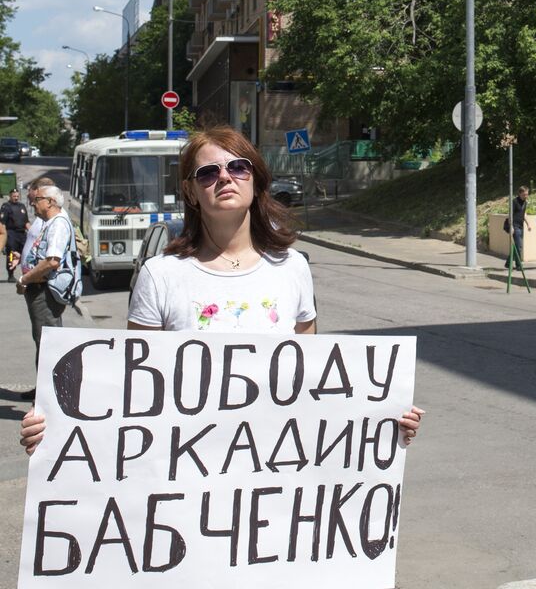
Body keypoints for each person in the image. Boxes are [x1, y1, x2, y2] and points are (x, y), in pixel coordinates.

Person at [20, 126, 421, 455]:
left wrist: (380, 420)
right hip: (187, 470)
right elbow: (134, 395)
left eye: (238, 167)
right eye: (208, 173)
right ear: (191, 192)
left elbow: (311, 381)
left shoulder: (293, 268)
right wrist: (57, 433)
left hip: (276, 465)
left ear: (255, 179)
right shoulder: (160, 275)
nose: (225, 177)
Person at [16, 185, 75, 382]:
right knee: (44, 341)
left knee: (48, 343)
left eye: (37, 199)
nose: (32, 203)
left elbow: (52, 261)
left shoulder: (58, 224)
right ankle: (43, 393)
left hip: (45, 291)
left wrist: (25, 278)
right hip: (40, 289)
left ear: (50, 202)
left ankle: (48, 397)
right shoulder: (50, 222)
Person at [2, 188, 28, 283]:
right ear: (10, 196)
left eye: (17, 196)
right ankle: (11, 274)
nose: (16, 198)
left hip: (22, 234)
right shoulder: (6, 207)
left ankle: (26, 273)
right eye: (14, 196)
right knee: (11, 255)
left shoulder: (22, 206)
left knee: (26, 253)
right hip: (11, 233)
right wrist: (3, 237)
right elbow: (2, 223)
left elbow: (26, 222)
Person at [505, 185, 529, 269]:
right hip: (515, 226)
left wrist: (528, 224)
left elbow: (524, 214)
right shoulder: (514, 202)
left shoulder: (525, 202)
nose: (526, 196)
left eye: (527, 194)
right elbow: (510, 215)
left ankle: (508, 263)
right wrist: (511, 226)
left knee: (516, 246)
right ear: (519, 194)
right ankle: (519, 265)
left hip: (521, 226)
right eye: (524, 195)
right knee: (519, 246)